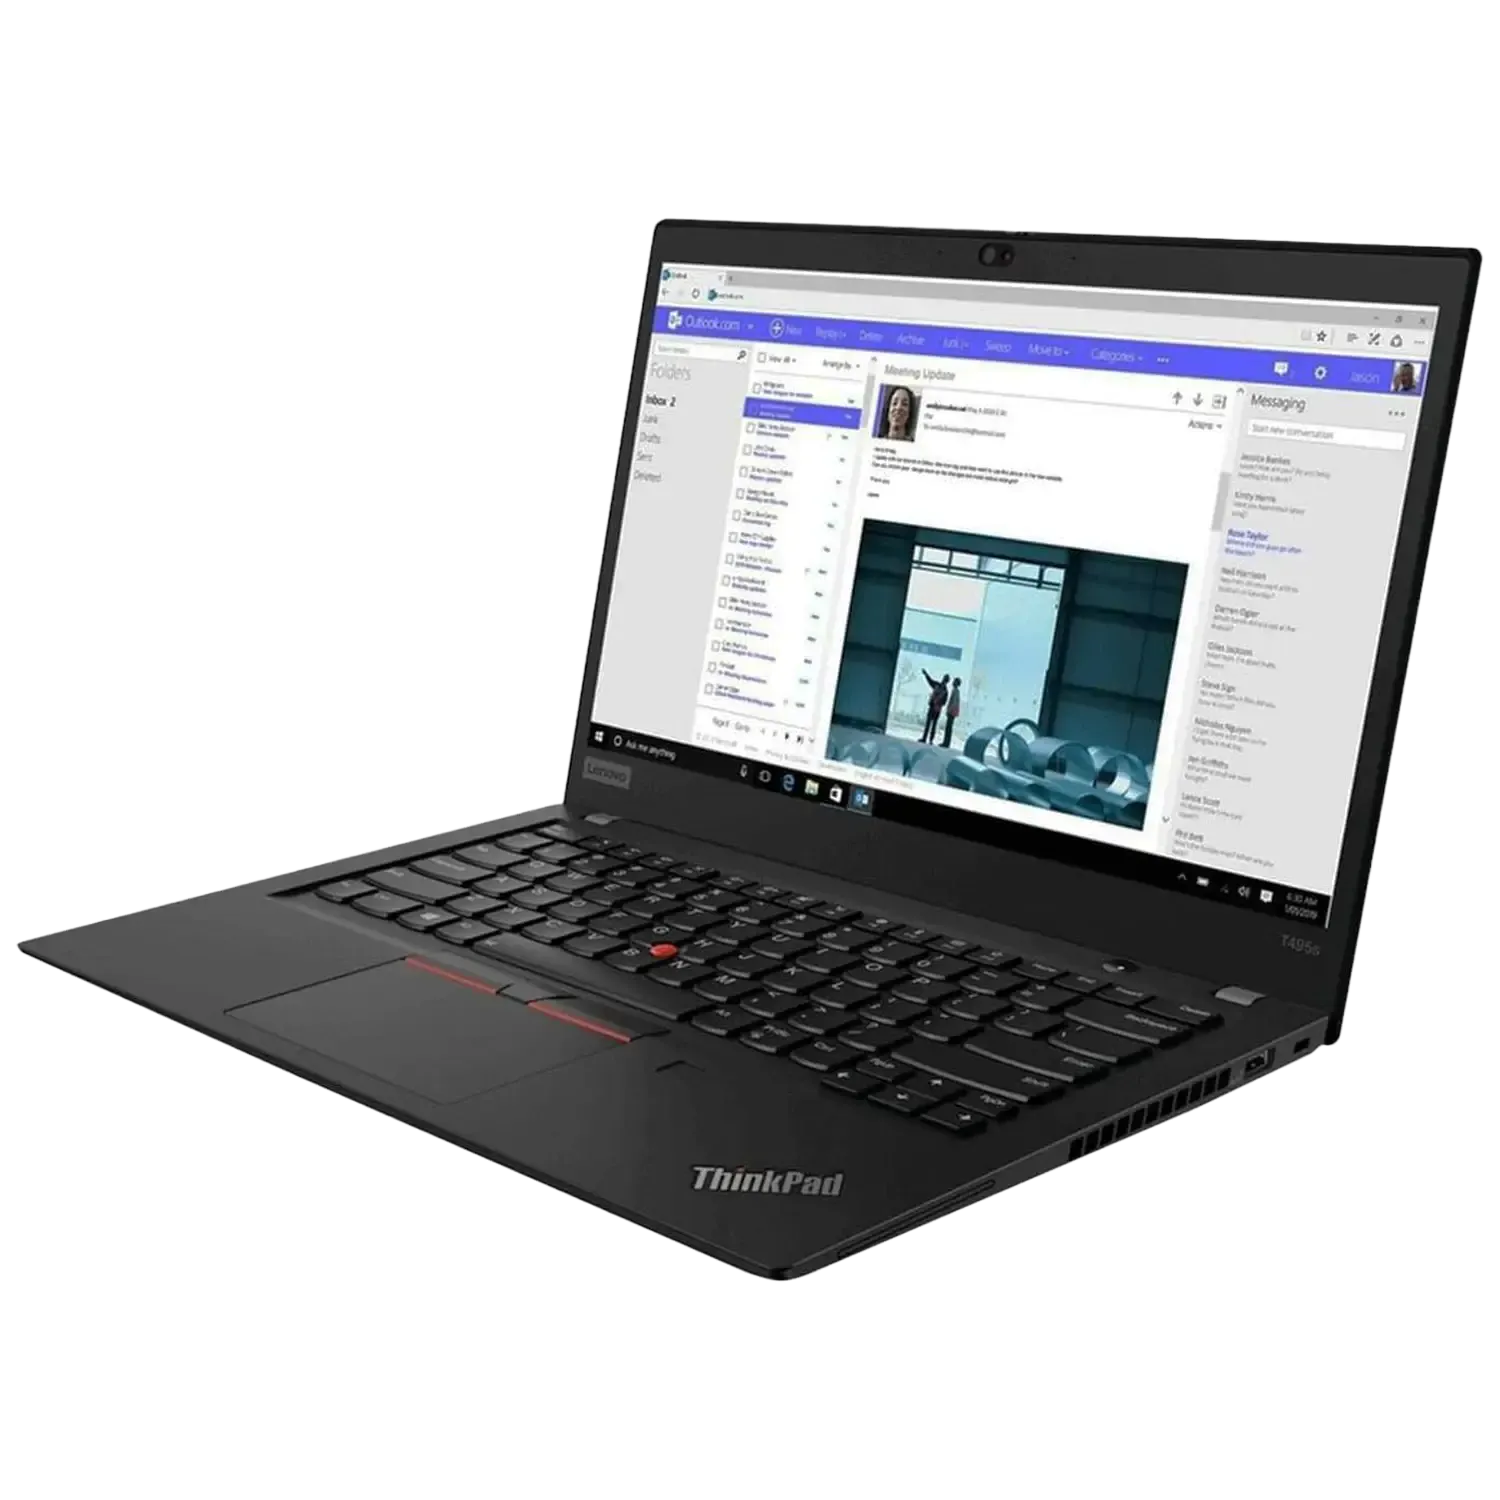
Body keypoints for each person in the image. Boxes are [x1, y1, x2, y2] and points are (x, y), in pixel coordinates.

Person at [919, 669, 948, 743]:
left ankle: (924, 738)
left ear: (943, 679)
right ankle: (930, 740)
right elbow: (944, 702)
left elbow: (930, 681)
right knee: (933, 725)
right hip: (937, 709)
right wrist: (939, 703)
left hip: (932, 707)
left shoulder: (937, 685)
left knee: (928, 724)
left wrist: (926, 674)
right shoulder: (945, 691)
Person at [942, 676, 962, 748]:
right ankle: (946, 742)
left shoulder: (955, 691)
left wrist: (949, 710)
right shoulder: (955, 691)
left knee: (948, 728)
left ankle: (946, 743)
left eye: (954, 681)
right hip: (953, 712)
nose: (953, 682)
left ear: (956, 683)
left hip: (952, 712)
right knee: (949, 727)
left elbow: (954, 703)